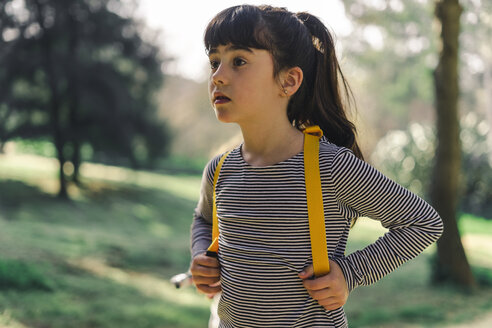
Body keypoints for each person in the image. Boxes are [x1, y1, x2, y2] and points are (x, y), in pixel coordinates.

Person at [189, 4, 443, 328]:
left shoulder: (330, 167)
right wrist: (202, 255)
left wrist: (350, 273)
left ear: (289, 80)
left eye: (239, 61)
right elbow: (203, 217)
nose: (218, 76)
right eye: (214, 62)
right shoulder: (220, 169)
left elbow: (423, 222)